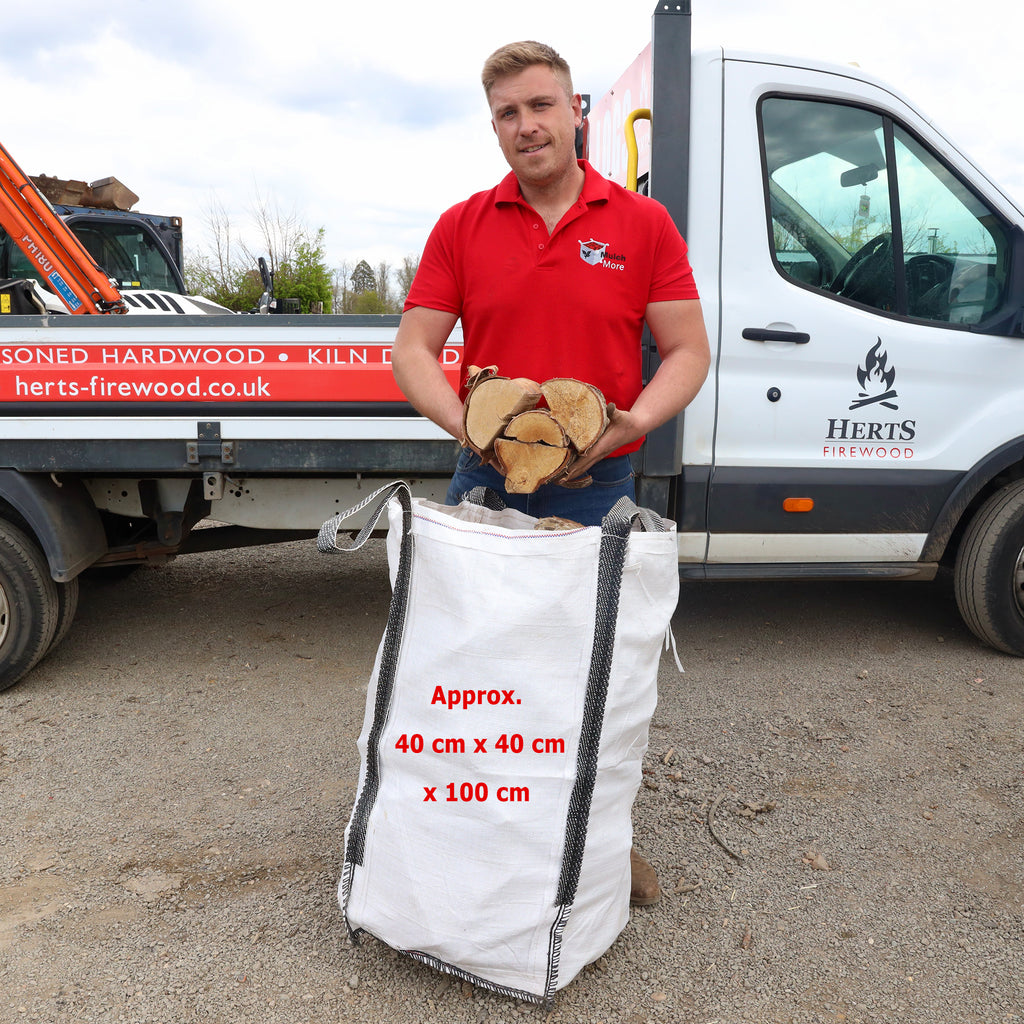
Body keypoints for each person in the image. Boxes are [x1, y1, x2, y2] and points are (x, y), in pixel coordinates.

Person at [391, 40, 710, 906]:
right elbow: (413, 349)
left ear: (576, 111)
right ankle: (478, 842)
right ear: (493, 126)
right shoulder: (462, 225)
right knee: (473, 675)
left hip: (598, 488)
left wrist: (635, 423)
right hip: (484, 486)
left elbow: (687, 350)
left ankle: (599, 845)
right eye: (507, 113)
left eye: (540, 105)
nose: (525, 125)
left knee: (594, 680)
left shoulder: (641, 224)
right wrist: (469, 426)